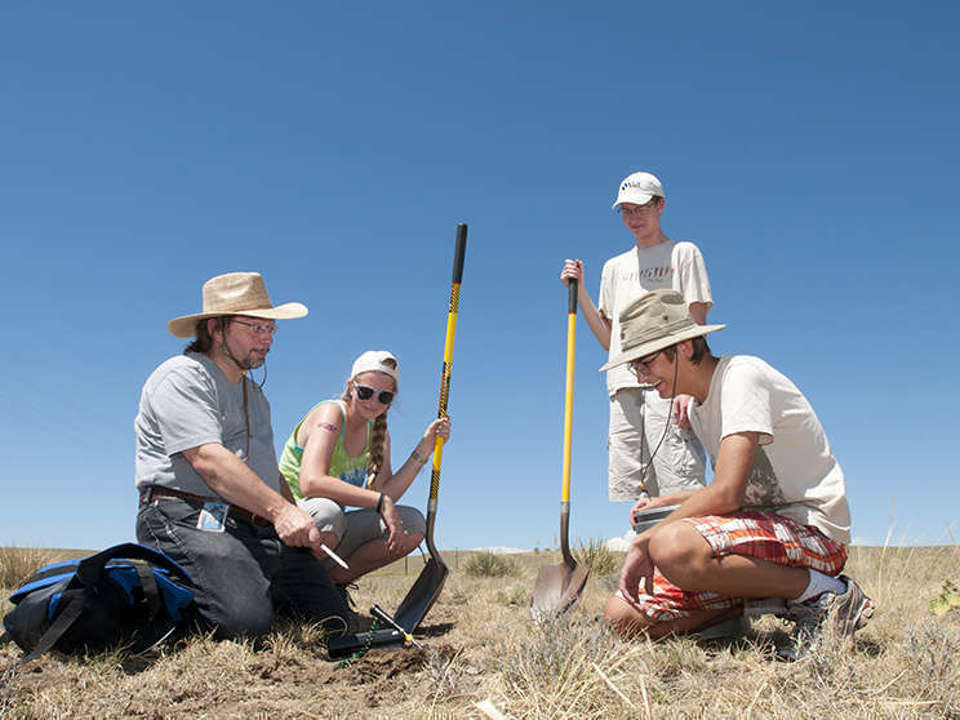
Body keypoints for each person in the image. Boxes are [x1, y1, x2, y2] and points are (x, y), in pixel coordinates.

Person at [600, 289, 873, 658]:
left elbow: (728, 494)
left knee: (671, 544)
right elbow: (744, 489)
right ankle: (745, 606)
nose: (642, 376)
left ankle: (830, 594)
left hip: (813, 532)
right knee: (621, 616)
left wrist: (645, 540)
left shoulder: (741, 377)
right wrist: (668, 502)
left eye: (645, 363)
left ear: (681, 348)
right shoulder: (698, 408)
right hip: (760, 534)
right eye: (635, 367)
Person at [135, 271, 349, 639]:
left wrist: (295, 512)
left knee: (332, 619)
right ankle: (160, 596)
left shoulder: (257, 397)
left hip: (251, 523)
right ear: (216, 329)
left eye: (271, 330)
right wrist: (281, 512)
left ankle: (250, 587)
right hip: (183, 515)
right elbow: (208, 460)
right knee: (245, 624)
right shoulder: (182, 377)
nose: (267, 340)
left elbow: (268, 473)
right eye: (255, 328)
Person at [560, 171, 713, 524]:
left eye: (641, 208)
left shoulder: (683, 253)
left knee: (680, 482)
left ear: (660, 205)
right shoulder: (614, 268)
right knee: (640, 495)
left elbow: (697, 322)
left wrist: (688, 389)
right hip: (624, 387)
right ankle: (654, 573)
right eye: (626, 211)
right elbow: (608, 340)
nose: (634, 218)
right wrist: (579, 290)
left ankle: (692, 570)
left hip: (671, 386)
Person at [279, 350, 449, 594]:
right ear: (351, 386)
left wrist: (425, 448)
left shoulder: (379, 434)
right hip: (294, 522)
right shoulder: (331, 413)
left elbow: (384, 494)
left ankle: (330, 588)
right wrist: (381, 500)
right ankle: (290, 589)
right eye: (366, 392)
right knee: (328, 512)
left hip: (330, 531)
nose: (373, 402)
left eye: (384, 397)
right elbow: (311, 482)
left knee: (411, 523)